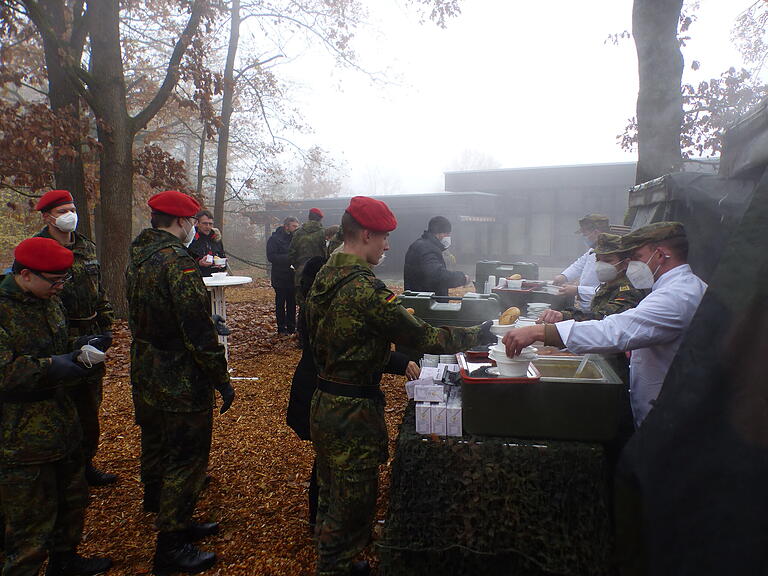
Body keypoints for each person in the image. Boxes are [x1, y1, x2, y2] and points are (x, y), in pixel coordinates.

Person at [305, 196, 495, 576]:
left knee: (331, 493)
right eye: (384, 238)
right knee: (352, 503)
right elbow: (425, 336)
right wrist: (480, 332)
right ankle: (336, 565)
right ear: (364, 234)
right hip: (352, 412)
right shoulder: (365, 290)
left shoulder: (325, 275)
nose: (388, 246)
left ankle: (336, 556)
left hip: (324, 400)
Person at [126, 190, 236, 576]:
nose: (192, 227)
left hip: (146, 366)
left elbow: (152, 313)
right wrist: (221, 379)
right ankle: (171, 544)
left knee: (156, 442)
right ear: (181, 222)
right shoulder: (179, 263)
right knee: (187, 456)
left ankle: (160, 507)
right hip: (178, 374)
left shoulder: (139, 256)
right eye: (190, 222)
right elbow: (196, 331)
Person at [503, 222, 707, 428]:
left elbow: (615, 330)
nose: (632, 265)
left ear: (661, 255)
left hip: (669, 418)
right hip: (661, 410)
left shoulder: (677, 296)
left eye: (637, 257)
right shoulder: (675, 288)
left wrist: (542, 331)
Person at [0, 237, 112, 576]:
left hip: (61, 421)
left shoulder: (48, 299)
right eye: (54, 281)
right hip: (20, 434)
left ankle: (66, 560)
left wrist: (80, 345)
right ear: (26, 274)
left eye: (64, 280)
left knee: (72, 498)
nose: (60, 287)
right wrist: (53, 365)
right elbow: (5, 370)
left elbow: (55, 340)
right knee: (29, 522)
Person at [286, 256, 419, 533]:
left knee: (329, 461)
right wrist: (400, 358)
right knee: (335, 464)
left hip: (316, 389)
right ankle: (334, 531)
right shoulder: (336, 301)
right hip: (324, 391)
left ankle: (323, 523)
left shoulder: (321, 299)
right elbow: (355, 349)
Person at [33, 189, 117, 487]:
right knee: (61, 406)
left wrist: (106, 325)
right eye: (63, 210)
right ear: (47, 217)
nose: (71, 215)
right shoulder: (36, 249)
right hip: (59, 339)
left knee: (89, 408)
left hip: (91, 334)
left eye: (73, 208)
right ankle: (60, 471)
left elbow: (99, 289)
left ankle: (85, 463)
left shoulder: (86, 247)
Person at [539, 233, 647, 324]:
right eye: (598, 260)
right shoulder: (609, 284)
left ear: (625, 264)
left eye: (608, 261)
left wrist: (564, 316)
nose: (600, 265)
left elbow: (603, 318)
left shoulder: (629, 290)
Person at [552, 214, 611, 310]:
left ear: (596, 232)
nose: (584, 237)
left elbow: (607, 291)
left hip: (601, 308)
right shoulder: (592, 250)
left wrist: (578, 291)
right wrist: (564, 276)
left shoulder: (611, 255)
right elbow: (579, 265)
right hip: (586, 305)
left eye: (585, 234)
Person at [403, 216, 470, 296]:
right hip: (426, 303)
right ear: (440, 233)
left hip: (420, 299)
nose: (448, 237)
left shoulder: (422, 245)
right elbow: (437, 276)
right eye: (447, 234)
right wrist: (462, 278)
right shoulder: (427, 248)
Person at [266, 216, 300, 335]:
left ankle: (291, 327)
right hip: (279, 276)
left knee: (292, 303)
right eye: (294, 226)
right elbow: (271, 256)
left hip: (292, 276)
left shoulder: (296, 239)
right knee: (280, 303)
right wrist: (289, 259)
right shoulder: (274, 239)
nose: (296, 228)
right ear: (286, 226)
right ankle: (281, 328)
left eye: (297, 226)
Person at [289, 207, 326, 299]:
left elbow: (291, 253)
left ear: (309, 217)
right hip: (319, 274)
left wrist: (299, 267)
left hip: (301, 273)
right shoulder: (323, 233)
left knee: (302, 303)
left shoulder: (298, 233)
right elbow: (327, 253)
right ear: (320, 219)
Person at [187, 209, 226, 278]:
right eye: (205, 223)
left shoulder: (216, 239)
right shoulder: (190, 238)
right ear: (197, 223)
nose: (208, 226)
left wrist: (222, 264)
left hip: (216, 279)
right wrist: (199, 263)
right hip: (196, 279)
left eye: (210, 224)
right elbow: (185, 262)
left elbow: (222, 257)